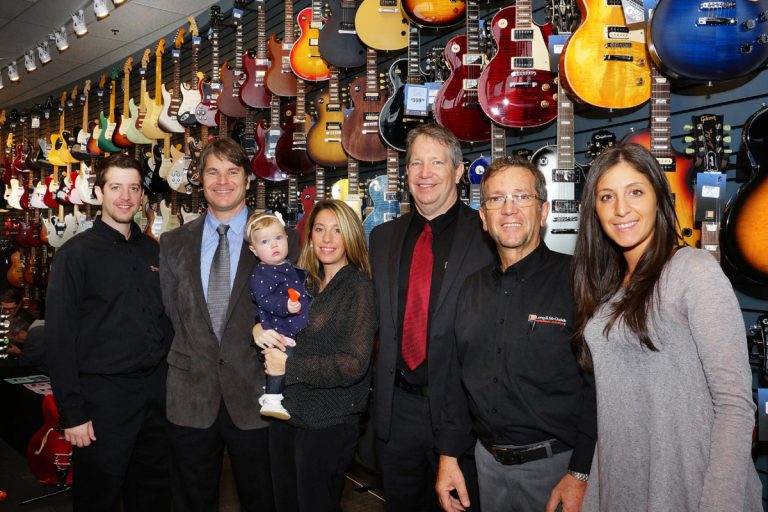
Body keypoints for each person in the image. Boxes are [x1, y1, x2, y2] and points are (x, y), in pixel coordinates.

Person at [571, 143, 762, 511]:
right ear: (593, 209)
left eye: (635, 192)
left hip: (691, 487)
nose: (621, 209)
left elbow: (735, 405)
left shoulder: (693, 270)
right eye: (606, 196)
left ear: (659, 198)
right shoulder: (605, 286)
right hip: (621, 486)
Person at [435, 157, 597, 512]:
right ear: (483, 217)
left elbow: (599, 390)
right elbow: (455, 383)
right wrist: (448, 457)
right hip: (485, 468)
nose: (509, 209)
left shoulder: (579, 282)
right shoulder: (470, 288)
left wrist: (581, 473)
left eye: (521, 197)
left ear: (544, 211)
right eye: (496, 199)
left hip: (557, 470)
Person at [160, 137, 293, 511]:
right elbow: (174, 314)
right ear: (200, 179)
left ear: (249, 179)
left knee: (264, 500)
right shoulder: (172, 244)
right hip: (189, 397)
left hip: (257, 398)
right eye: (213, 171)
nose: (223, 180)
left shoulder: (281, 241)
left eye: (232, 171)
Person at [369, 123, 496, 511]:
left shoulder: (488, 235)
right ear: (405, 173)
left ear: (459, 172)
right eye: (416, 163)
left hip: (463, 416)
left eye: (436, 163)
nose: (425, 173)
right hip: (396, 413)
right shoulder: (382, 238)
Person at [46, 153, 172, 511]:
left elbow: (165, 322)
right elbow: (59, 340)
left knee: (152, 497)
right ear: (99, 193)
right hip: (102, 402)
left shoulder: (153, 250)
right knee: (97, 498)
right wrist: (72, 413)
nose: (125, 197)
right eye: (115, 187)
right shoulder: (74, 256)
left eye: (133, 188)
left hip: (155, 399)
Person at [254, 199, 377, 512]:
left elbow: (354, 364)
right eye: (320, 229)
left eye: (337, 230)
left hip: (329, 421)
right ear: (309, 236)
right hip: (286, 413)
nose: (327, 238)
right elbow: (275, 324)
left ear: (351, 236)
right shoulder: (301, 280)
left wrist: (290, 365)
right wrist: (260, 333)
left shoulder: (358, 287)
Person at [246, 211, 311, 420]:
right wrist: (286, 305)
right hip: (278, 327)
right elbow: (265, 300)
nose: (274, 245)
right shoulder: (261, 273)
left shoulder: (287, 265)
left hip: (293, 324)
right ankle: (272, 397)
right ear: (254, 250)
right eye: (265, 241)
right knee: (281, 359)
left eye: (278, 238)